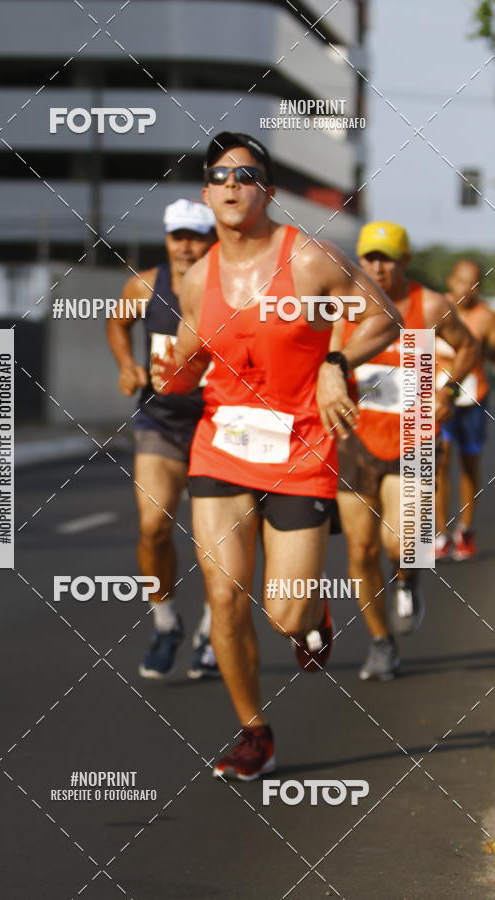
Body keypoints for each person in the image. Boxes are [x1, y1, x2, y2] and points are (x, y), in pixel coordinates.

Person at [150, 132, 402, 780]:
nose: (232, 185)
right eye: (219, 175)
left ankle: (311, 612)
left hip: (301, 452)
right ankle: (253, 731)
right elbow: (187, 355)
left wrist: (337, 362)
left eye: (246, 174)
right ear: (207, 193)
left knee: (283, 610)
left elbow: (382, 318)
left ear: (267, 190)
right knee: (224, 596)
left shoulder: (311, 259)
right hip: (221, 452)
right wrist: (167, 374)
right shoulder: (199, 277)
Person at [331, 222, 479, 682]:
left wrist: (448, 391)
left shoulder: (428, 305)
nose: (378, 265)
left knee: (400, 543)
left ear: (405, 261)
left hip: (413, 434)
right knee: (359, 550)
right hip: (356, 439)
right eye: (370, 257)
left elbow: (468, 346)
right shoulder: (348, 306)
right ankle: (380, 642)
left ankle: (408, 578)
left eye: (387, 257)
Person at [107, 198, 218, 680]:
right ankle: (166, 622)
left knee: (219, 542)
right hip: (160, 422)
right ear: (168, 238)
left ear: (212, 238)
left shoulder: (229, 286)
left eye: (196, 235)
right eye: (179, 235)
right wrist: (127, 365)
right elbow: (117, 321)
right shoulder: (146, 284)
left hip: (218, 424)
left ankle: (215, 631)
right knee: (153, 527)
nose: (187, 245)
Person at [435, 259, 495, 561]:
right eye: (464, 281)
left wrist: (491, 349)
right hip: (439, 399)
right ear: (452, 281)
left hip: (473, 398)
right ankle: (440, 533)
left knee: (469, 464)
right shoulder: (436, 308)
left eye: (476, 283)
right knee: (440, 461)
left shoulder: (486, 317)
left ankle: (464, 529)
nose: (469, 289)